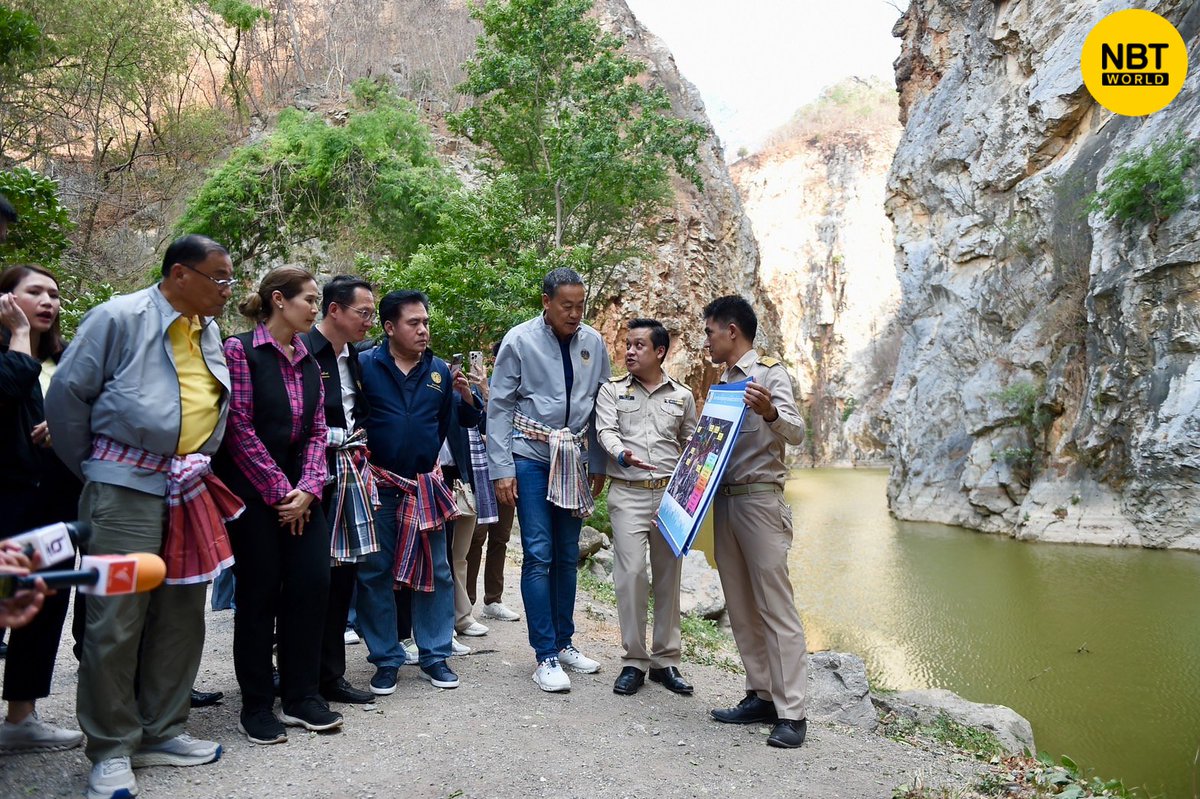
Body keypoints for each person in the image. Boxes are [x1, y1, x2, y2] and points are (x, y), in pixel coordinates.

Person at [46, 235, 239, 799]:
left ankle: (161, 730)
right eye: (219, 277)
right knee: (116, 619)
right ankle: (110, 747)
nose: (229, 288)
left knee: (182, 614)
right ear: (180, 273)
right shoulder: (119, 316)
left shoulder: (208, 328)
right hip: (124, 488)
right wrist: (101, 470)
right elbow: (66, 398)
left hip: (188, 484)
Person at [216, 267, 342, 744]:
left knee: (312, 583)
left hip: (303, 494)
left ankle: (301, 694)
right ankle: (256, 704)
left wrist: (308, 487)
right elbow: (238, 427)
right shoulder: (240, 350)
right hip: (253, 494)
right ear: (278, 300)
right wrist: (278, 491)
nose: (314, 307)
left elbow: (316, 430)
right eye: (309, 299)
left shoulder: (309, 358)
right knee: (259, 594)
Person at [486, 267, 611, 693]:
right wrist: (501, 468)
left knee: (565, 553)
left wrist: (598, 460)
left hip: (573, 457)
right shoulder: (519, 341)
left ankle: (565, 640)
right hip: (531, 455)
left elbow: (600, 407)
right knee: (538, 552)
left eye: (580, 305)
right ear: (546, 302)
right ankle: (545, 655)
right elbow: (499, 406)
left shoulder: (593, 343)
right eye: (566, 306)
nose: (575, 314)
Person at [357, 290, 480, 695]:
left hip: (426, 487)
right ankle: (387, 658)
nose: (423, 330)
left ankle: (434, 655)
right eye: (414, 323)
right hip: (378, 485)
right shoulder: (364, 365)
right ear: (389, 327)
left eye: (426, 322)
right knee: (376, 571)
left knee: (438, 571)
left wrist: (469, 397)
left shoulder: (440, 371)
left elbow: (459, 420)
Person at [701, 295, 809, 749]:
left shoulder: (769, 373)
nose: (705, 340)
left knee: (775, 607)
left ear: (731, 331)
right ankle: (761, 694)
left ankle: (793, 712)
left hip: (761, 502)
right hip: (724, 503)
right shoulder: (721, 382)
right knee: (742, 606)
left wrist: (769, 412)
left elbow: (798, 431)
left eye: (709, 332)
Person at [0, 264, 85, 753]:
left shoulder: (64, 359)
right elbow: (7, 390)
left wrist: (67, 427)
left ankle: (21, 718)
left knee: (44, 607)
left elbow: (94, 411)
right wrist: (16, 335)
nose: (49, 302)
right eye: (34, 292)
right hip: (8, 500)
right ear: (7, 299)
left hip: (55, 501)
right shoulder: (9, 351)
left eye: (54, 293)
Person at [595, 318, 698, 697]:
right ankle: (634, 661)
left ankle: (665, 661)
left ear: (659, 352)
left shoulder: (682, 396)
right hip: (628, 492)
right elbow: (605, 430)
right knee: (632, 574)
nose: (630, 351)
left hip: (671, 496)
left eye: (639, 345)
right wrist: (622, 453)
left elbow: (692, 441)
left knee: (669, 578)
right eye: (627, 344)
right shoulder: (611, 391)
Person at [300, 275, 378, 706]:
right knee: (311, 581)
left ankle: (332, 676)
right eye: (362, 313)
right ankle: (300, 677)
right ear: (334, 310)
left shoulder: (356, 357)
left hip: (350, 475)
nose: (369, 321)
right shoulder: (303, 352)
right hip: (312, 480)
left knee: (342, 577)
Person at [464, 344, 520, 624]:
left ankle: (493, 600)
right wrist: (485, 391)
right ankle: (467, 603)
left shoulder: (521, 392)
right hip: (479, 471)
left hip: (508, 470)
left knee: (502, 535)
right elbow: (475, 426)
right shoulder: (472, 390)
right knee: (476, 535)